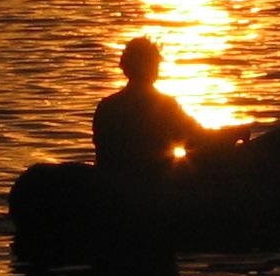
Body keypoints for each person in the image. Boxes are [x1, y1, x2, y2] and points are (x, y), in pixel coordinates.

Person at [93, 37, 241, 176]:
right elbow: (198, 138)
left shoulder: (106, 107)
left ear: (125, 66)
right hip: (155, 183)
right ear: (153, 68)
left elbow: (103, 154)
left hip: (112, 183)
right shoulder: (165, 106)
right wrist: (232, 134)